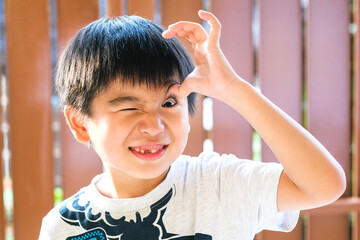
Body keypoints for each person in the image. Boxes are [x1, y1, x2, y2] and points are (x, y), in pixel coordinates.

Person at [39, 10, 346, 240]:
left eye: (169, 103)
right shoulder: (62, 227)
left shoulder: (218, 183)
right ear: (79, 123)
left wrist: (234, 89)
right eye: (130, 107)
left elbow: (324, 185)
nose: (153, 125)